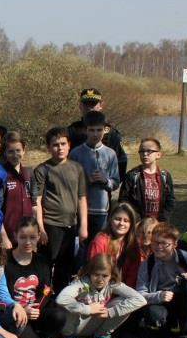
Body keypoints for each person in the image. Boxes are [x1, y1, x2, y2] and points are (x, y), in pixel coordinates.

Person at [32, 127, 88, 294]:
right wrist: (40, 228)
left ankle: (61, 299)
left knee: (66, 266)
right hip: (50, 225)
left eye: (63, 144)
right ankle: (43, 299)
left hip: (71, 225)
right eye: (55, 145)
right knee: (46, 265)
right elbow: (37, 201)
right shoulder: (42, 170)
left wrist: (83, 225)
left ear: (69, 145)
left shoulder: (77, 168)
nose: (60, 148)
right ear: (49, 147)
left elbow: (82, 198)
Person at [135, 223, 187, 338]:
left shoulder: (185, 257)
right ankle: (166, 326)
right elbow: (140, 293)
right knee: (153, 315)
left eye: (164, 243)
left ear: (175, 244)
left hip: (184, 300)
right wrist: (158, 295)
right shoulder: (147, 264)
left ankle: (186, 336)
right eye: (155, 242)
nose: (158, 247)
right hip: (162, 302)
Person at [56, 254, 146, 338]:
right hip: (75, 325)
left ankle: (100, 337)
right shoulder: (83, 284)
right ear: (90, 272)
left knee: (123, 302)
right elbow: (61, 298)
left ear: (111, 275)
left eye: (105, 276)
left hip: (94, 324)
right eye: (96, 274)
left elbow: (140, 299)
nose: (100, 279)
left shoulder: (111, 284)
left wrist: (110, 312)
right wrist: (88, 309)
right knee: (69, 303)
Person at [5, 217, 67, 338]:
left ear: (39, 236)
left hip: (35, 310)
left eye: (32, 237)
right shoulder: (5, 261)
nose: (28, 242)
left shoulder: (42, 261)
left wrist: (36, 308)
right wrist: (21, 309)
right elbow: (2, 292)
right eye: (23, 237)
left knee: (59, 315)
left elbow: (46, 290)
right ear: (15, 236)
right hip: (15, 313)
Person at [69, 110, 119, 241]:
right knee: (80, 248)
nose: (95, 134)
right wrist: (87, 181)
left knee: (98, 246)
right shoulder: (75, 153)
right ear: (86, 130)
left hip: (101, 210)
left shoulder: (111, 154)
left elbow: (115, 182)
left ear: (105, 130)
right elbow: (70, 184)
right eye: (91, 130)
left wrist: (105, 181)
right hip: (79, 210)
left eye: (99, 130)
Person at [67, 88, 128, 181]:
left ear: (101, 105)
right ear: (80, 105)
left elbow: (121, 162)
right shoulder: (72, 131)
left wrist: (108, 181)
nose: (90, 107)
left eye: (93, 104)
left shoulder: (111, 133)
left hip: (102, 188)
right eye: (86, 104)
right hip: (75, 187)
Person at [120, 137, 174, 222]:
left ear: (158, 155)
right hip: (138, 223)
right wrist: (136, 219)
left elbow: (170, 199)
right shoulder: (132, 175)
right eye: (142, 151)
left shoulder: (165, 176)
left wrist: (162, 220)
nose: (145, 154)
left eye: (149, 151)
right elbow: (124, 199)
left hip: (159, 223)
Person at [86, 202, 140, 279]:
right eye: (118, 219)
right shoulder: (100, 242)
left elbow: (133, 275)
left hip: (124, 288)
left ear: (131, 224)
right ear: (110, 220)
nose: (121, 223)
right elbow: (94, 272)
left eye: (126, 220)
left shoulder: (133, 245)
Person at [0, 131, 34, 243]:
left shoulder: (30, 173)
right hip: (9, 234)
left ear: (24, 150)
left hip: (28, 234)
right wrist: (3, 237)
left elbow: (35, 204)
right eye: (10, 151)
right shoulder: (1, 175)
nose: (15, 155)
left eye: (18, 150)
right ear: (4, 153)